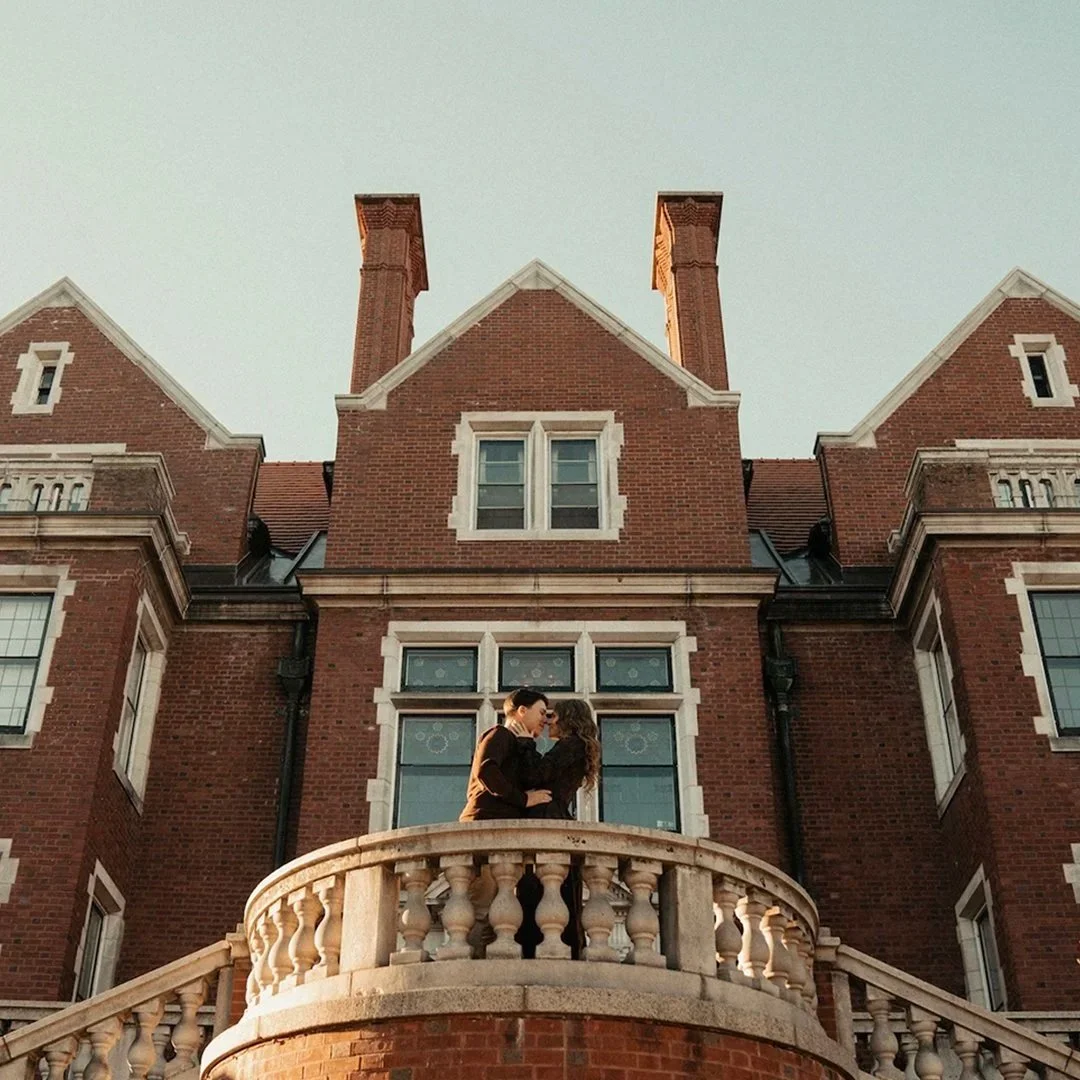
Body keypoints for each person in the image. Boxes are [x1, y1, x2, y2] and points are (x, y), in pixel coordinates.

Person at [523, 698, 601, 957]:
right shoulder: (575, 747)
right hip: (552, 814)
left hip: (548, 816)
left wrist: (525, 742)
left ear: (568, 718)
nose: (547, 722)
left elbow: (538, 773)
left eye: (553, 717)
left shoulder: (572, 745)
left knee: (541, 887)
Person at [458, 688, 552, 821]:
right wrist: (523, 799)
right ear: (522, 710)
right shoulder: (500, 734)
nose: (545, 720)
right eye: (541, 713)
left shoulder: (522, 744)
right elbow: (487, 771)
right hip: (486, 819)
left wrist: (527, 742)